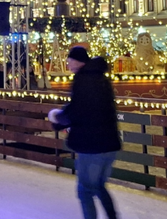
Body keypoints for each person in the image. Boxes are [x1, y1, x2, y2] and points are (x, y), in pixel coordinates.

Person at [48, 46, 121, 219]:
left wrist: (58, 119)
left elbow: (78, 111)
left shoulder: (83, 79)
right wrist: (63, 117)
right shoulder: (100, 78)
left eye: (69, 61)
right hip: (109, 143)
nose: (68, 64)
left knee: (86, 190)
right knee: (98, 186)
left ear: (78, 61)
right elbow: (84, 107)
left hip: (92, 145)